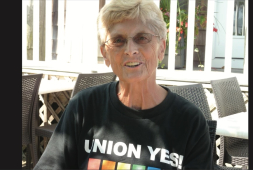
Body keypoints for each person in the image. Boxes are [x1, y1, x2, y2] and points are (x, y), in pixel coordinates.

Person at [33, 0, 213, 169]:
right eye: (118, 40)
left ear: (161, 48)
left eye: (142, 38)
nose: (130, 50)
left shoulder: (189, 122)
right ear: (105, 54)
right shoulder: (84, 107)